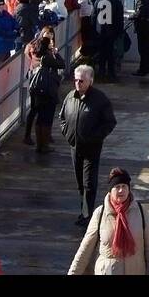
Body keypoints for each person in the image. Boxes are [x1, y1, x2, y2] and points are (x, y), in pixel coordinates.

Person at [68, 167, 149, 275]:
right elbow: (85, 250)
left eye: (124, 186)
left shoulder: (141, 212)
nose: (121, 190)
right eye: (117, 187)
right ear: (110, 190)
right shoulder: (100, 213)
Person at [59, 65, 118, 226]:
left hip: (91, 147)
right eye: (76, 80)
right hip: (75, 146)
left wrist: (95, 137)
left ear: (90, 81)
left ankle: (88, 215)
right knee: (79, 182)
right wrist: (67, 133)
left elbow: (110, 122)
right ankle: (83, 211)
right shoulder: (70, 97)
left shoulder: (99, 99)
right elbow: (62, 117)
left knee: (89, 183)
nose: (78, 83)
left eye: (81, 81)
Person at [23, 33, 64, 151]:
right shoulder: (48, 57)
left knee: (39, 117)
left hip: (37, 89)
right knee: (46, 117)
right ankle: (43, 145)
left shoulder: (36, 53)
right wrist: (56, 53)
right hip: (47, 90)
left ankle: (39, 144)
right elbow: (62, 64)